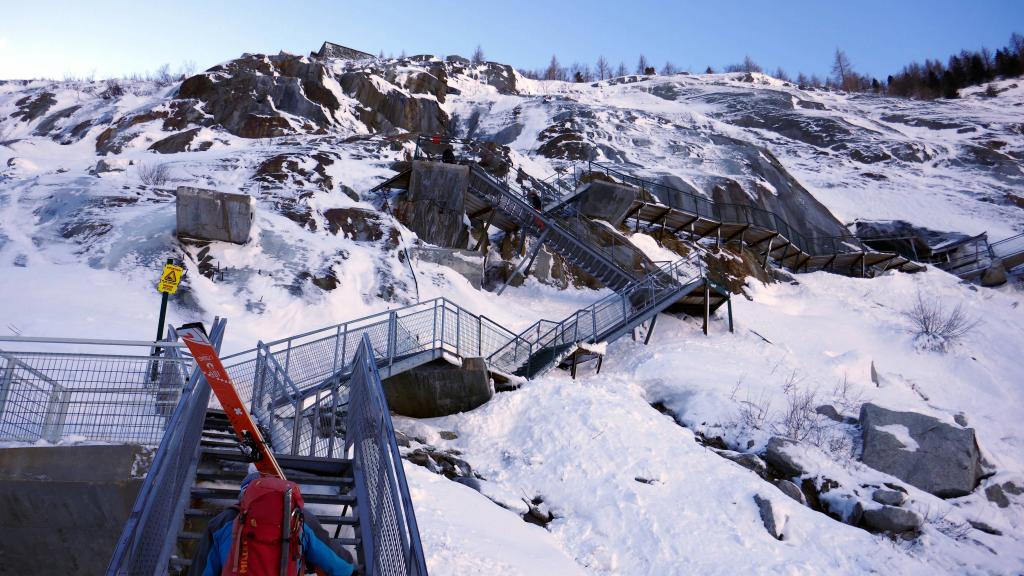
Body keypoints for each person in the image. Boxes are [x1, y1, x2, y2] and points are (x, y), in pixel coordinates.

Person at [190, 470, 356, 576]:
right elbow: (341, 566)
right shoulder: (299, 518)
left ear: (244, 496)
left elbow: (203, 570)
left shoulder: (222, 522)